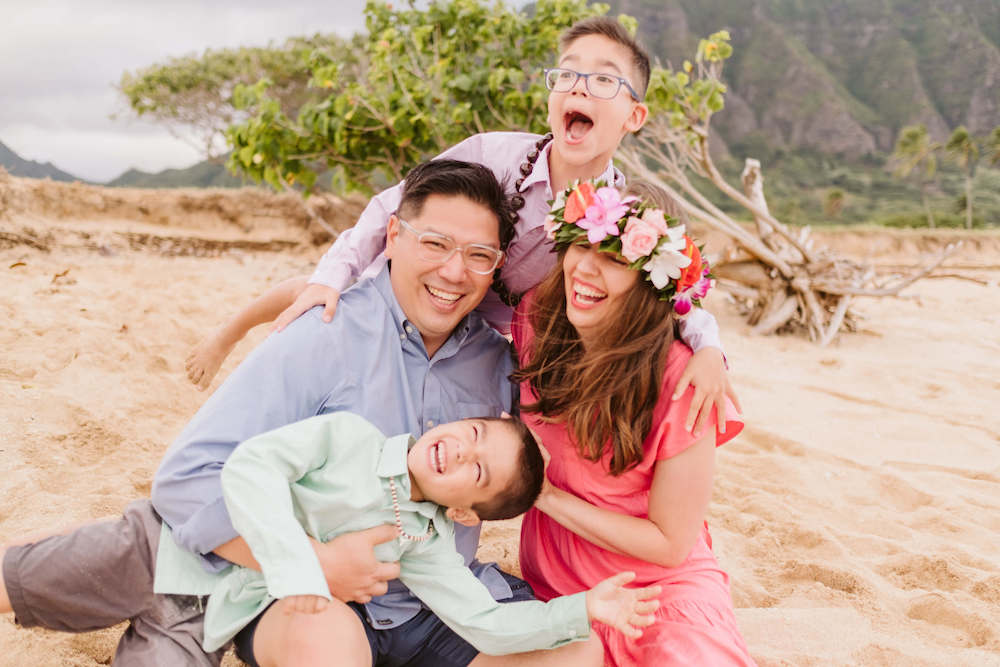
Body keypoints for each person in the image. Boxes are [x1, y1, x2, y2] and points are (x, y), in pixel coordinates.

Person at [0, 160, 606, 666]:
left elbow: (611, 322)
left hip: (434, 599)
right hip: (314, 601)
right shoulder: (325, 331)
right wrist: (317, 565)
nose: (455, 272)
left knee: (577, 653)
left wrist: (703, 341)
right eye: (435, 243)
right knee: (133, 563)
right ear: (392, 236)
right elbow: (186, 481)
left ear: (499, 265)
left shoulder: (497, 363)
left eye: (479, 255)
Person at [185, 17, 739, 442]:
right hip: (430, 273)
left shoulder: (626, 214)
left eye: (602, 80)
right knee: (332, 291)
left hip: (496, 327)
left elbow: (670, 290)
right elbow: (391, 207)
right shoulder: (495, 155)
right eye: (567, 74)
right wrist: (334, 273)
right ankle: (229, 332)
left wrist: (709, 347)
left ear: (635, 117)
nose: (579, 88)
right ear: (550, 96)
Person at [172, 411, 661, 664]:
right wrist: (301, 563)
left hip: (388, 626)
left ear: (461, 512)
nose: (461, 451)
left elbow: (482, 619)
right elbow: (252, 466)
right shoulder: (350, 438)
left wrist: (581, 609)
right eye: (472, 432)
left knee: (580, 652)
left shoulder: (424, 537)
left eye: (477, 471)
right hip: (272, 599)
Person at [510, 179, 757, 665]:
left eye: (615, 259)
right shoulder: (537, 322)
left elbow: (670, 545)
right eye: (582, 244)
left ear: (651, 280)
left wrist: (544, 496)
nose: (585, 268)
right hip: (557, 596)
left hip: (655, 595)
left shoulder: (684, 380)